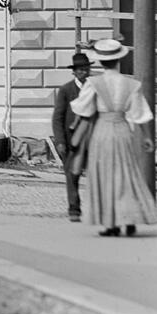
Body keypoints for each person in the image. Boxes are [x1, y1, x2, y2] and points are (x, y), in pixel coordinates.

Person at [70, 39, 157, 237]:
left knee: (105, 176)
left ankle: (110, 223)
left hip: (102, 131)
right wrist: (146, 136)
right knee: (126, 175)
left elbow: (83, 109)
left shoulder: (94, 83)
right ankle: (129, 220)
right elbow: (139, 113)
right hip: (122, 130)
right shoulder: (130, 84)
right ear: (118, 61)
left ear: (101, 62)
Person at [51, 52, 91, 221]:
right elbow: (58, 117)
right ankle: (74, 208)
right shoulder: (66, 90)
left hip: (91, 138)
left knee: (95, 174)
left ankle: (99, 208)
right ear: (73, 72)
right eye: (79, 70)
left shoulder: (94, 87)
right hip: (71, 139)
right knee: (71, 175)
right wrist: (60, 141)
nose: (82, 72)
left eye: (85, 69)